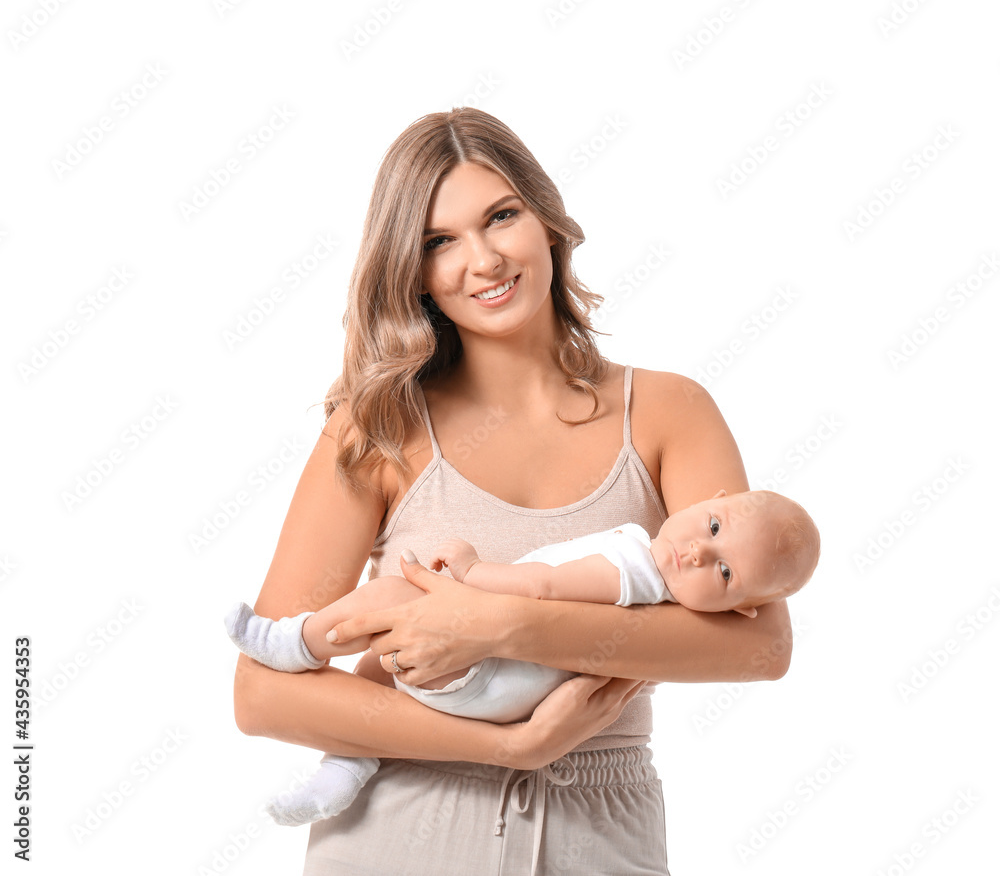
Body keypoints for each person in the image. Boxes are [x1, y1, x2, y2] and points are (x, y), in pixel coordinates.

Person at [232, 106, 797, 876]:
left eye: (501, 217)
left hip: (601, 834)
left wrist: (497, 623)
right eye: (440, 242)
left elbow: (757, 646)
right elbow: (263, 696)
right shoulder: (376, 429)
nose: (484, 260)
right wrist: (508, 746)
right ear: (412, 269)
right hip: (399, 832)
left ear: (548, 221)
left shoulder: (669, 413)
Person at [227, 488, 819, 826]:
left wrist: (468, 571)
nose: (694, 551)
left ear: (744, 609)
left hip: (490, 679)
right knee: (381, 664)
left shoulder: (639, 568)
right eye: (712, 524)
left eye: (723, 570)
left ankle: (293, 644)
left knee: (385, 600)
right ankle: (346, 767)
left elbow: (541, 589)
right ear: (711, 498)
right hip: (503, 696)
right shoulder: (668, 603)